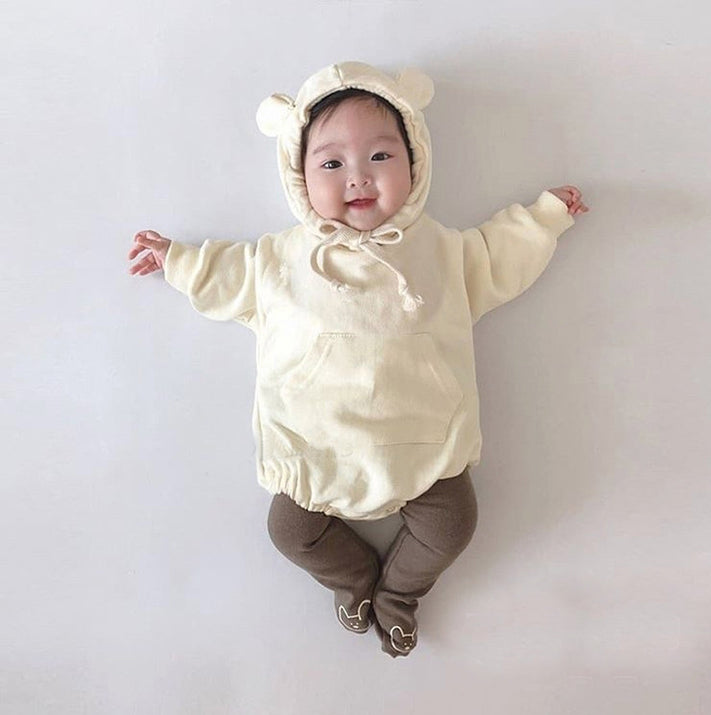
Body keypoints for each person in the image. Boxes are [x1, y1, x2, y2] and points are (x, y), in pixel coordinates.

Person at [128, 61, 589, 658]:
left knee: (454, 525)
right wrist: (177, 259)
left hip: (426, 449)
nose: (359, 177)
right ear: (298, 176)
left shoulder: (441, 252)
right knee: (289, 531)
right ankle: (354, 582)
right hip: (316, 451)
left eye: (380, 156)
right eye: (331, 164)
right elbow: (225, 274)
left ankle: (398, 594)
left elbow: (496, 256)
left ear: (414, 161)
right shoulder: (280, 261)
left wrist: (545, 218)